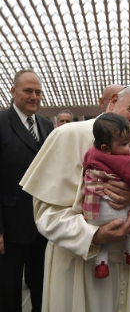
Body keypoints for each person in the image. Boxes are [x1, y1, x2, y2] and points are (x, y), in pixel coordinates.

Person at [20, 83, 130, 312]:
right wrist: (95, 234)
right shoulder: (67, 135)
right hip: (79, 265)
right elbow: (45, 215)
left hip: (127, 264)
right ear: (114, 100)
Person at [0, 69, 54, 312]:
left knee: (44, 286)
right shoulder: (1, 122)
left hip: (44, 224)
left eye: (38, 92)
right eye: (28, 91)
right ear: (13, 92)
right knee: (8, 289)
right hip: (10, 227)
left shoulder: (46, 125)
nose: (34, 96)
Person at [83, 113, 130, 278]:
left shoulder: (91, 153)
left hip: (92, 212)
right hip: (114, 210)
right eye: (125, 143)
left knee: (102, 237)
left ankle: (101, 264)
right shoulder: (126, 161)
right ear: (106, 149)